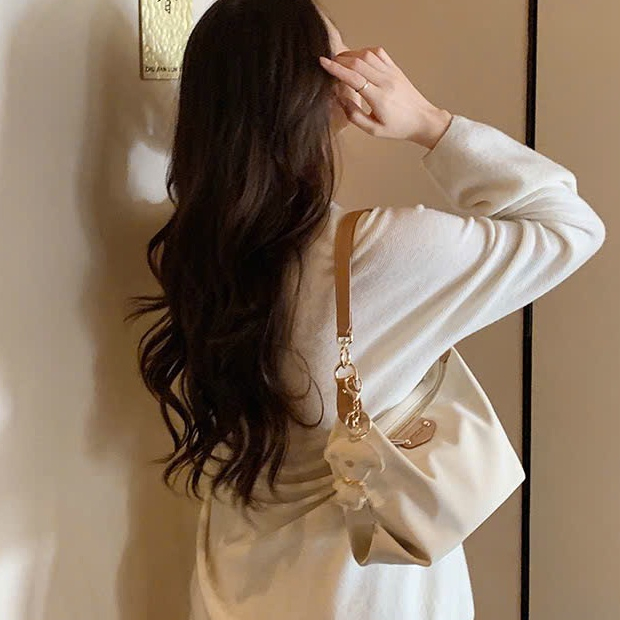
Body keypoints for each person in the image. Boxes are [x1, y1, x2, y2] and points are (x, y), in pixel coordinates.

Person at [127, 0, 606, 618]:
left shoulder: (196, 249)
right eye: (340, 57)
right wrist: (429, 123)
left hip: (235, 580)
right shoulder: (375, 251)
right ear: (314, 91)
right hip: (364, 587)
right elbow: (570, 227)